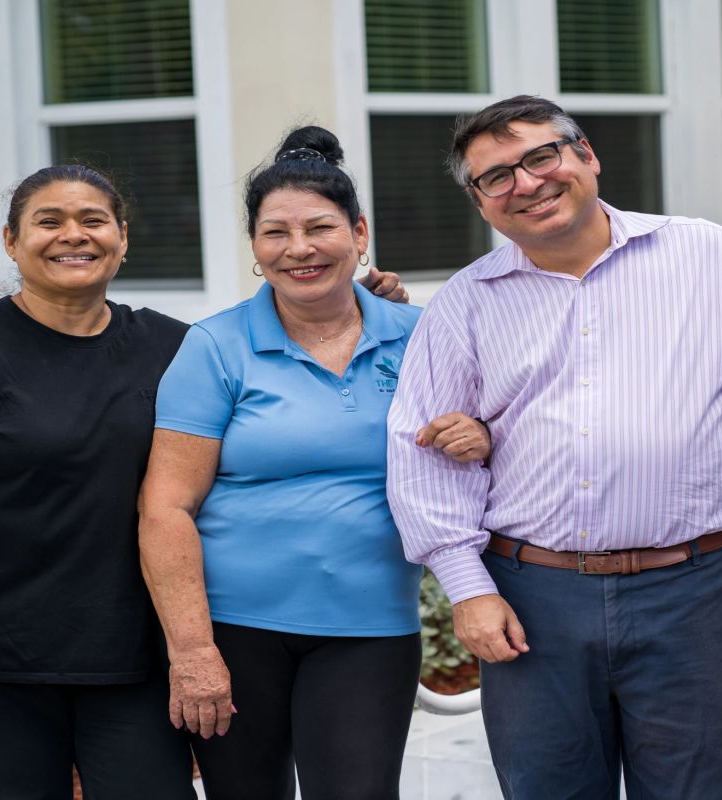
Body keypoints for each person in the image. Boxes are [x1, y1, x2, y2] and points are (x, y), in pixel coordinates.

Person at [0, 163, 410, 799]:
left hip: (135, 659)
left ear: (122, 238)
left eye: (93, 221)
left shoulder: (171, 345)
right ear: (11, 241)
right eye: (49, 222)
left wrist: (360, 303)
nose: (74, 235)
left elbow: (275, 368)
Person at [385, 95, 722, 799]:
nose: (527, 183)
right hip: (534, 600)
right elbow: (422, 449)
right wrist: (468, 588)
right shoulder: (467, 301)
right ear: (480, 201)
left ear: (586, 156)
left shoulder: (706, 254)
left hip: (700, 595)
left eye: (541, 156)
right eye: (497, 177)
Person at [135, 125, 490, 800]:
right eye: (275, 232)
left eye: (320, 228)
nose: (298, 249)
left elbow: (493, 439)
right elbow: (165, 507)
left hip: (371, 627)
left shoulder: (422, 336)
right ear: (254, 247)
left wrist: (481, 433)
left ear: (359, 234)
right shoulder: (215, 346)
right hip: (232, 632)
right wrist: (192, 649)